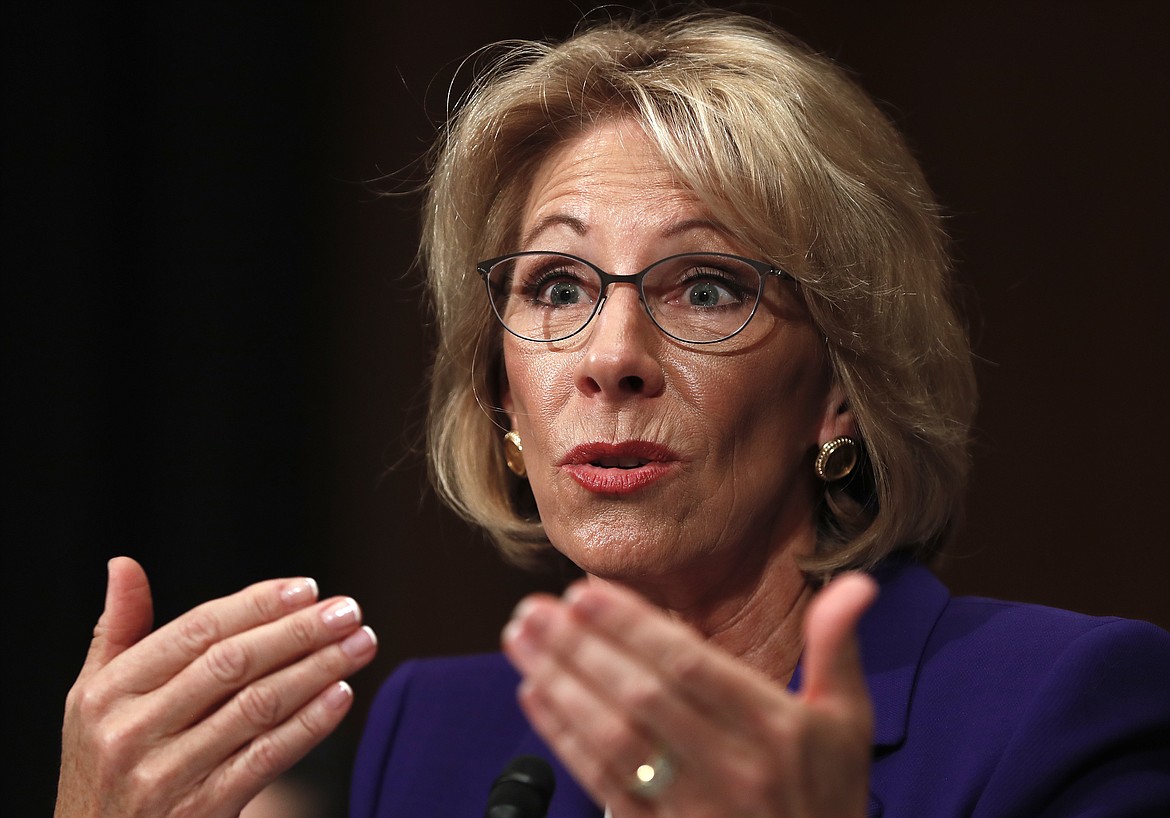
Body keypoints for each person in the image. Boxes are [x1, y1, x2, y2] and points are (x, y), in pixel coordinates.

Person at [55, 10, 1170, 818]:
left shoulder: (1063, 707)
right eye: (556, 286)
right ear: (500, 391)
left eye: (708, 286)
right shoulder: (438, 736)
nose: (613, 359)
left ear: (841, 389)